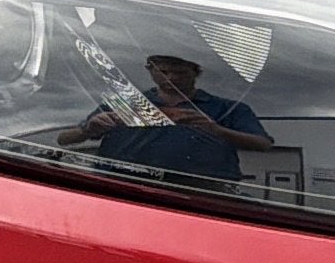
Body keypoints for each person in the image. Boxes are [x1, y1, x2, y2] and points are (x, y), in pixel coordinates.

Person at [58, 51, 275, 187]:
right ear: (150, 71)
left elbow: (263, 144)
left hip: (203, 194)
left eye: (179, 73)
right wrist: (89, 129)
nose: (170, 78)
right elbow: (64, 140)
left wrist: (216, 130)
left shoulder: (227, 108)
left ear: (196, 73)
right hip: (121, 188)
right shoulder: (125, 103)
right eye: (163, 71)